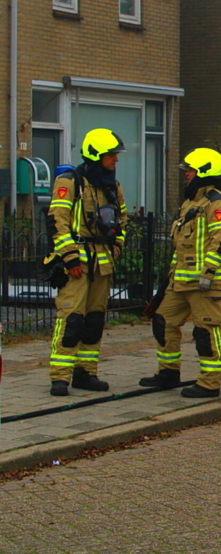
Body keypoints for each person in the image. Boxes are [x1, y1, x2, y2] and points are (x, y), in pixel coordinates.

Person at [139, 148, 221, 397]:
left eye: (190, 170)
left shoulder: (217, 202)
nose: (187, 174)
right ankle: (168, 372)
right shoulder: (190, 203)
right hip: (180, 281)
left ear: (204, 172)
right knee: (163, 321)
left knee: (206, 331)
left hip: (205, 284)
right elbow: (180, 245)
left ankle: (209, 383)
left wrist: (208, 273)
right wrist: (168, 279)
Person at [45, 128, 128, 396]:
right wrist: (70, 258)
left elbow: (122, 221)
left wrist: (117, 243)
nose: (115, 160)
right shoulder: (70, 182)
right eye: (111, 155)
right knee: (71, 320)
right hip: (77, 263)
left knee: (94, 321)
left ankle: (86, 373)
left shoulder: (113, 187)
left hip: (101, 264)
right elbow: (57, 221)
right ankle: (60, 377)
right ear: (95, 155)